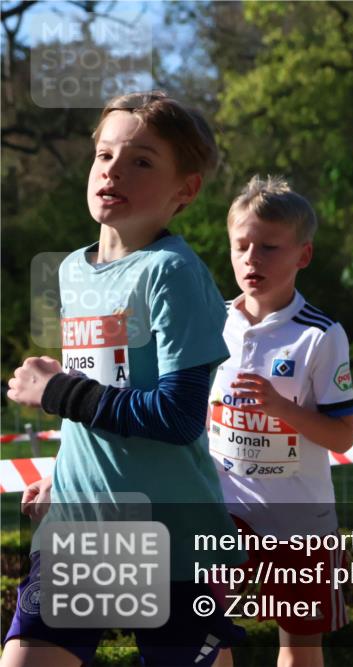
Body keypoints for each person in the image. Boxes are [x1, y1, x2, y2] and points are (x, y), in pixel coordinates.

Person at [4, 91, 243, 667]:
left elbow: (176, 415)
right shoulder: (71, 270)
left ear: (184, 189)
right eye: (104, 155)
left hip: (172, 538)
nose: (113, 170)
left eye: (141, 160)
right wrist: (64, 477)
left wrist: (55, 391)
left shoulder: (174, 273)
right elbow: (103, 396)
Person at [208, 175, 353, 667]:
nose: (252, 259)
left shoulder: (321, 335)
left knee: (299, 642)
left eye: (269, 247)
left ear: (303, 256)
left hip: (298, 514)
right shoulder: (210, 323)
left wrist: (282, 409)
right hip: (222, 506)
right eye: (241, 246)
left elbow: (343, 436)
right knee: (204, 630)